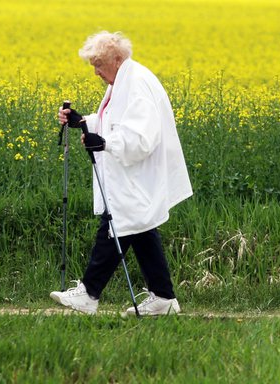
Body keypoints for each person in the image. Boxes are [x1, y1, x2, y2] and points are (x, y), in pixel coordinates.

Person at [50, 31, 193, 316]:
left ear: (116, 59)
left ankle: (89, 294)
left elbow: (142, 137)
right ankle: (164, 297)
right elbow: (114, 121)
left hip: (136, 172)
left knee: (117, 224)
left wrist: (104, 143)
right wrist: (83, 122)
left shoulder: (136, 83)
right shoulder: (125, 79)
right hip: (131, 173)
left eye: (99, 65)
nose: (96, 73)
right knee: (138, 228)